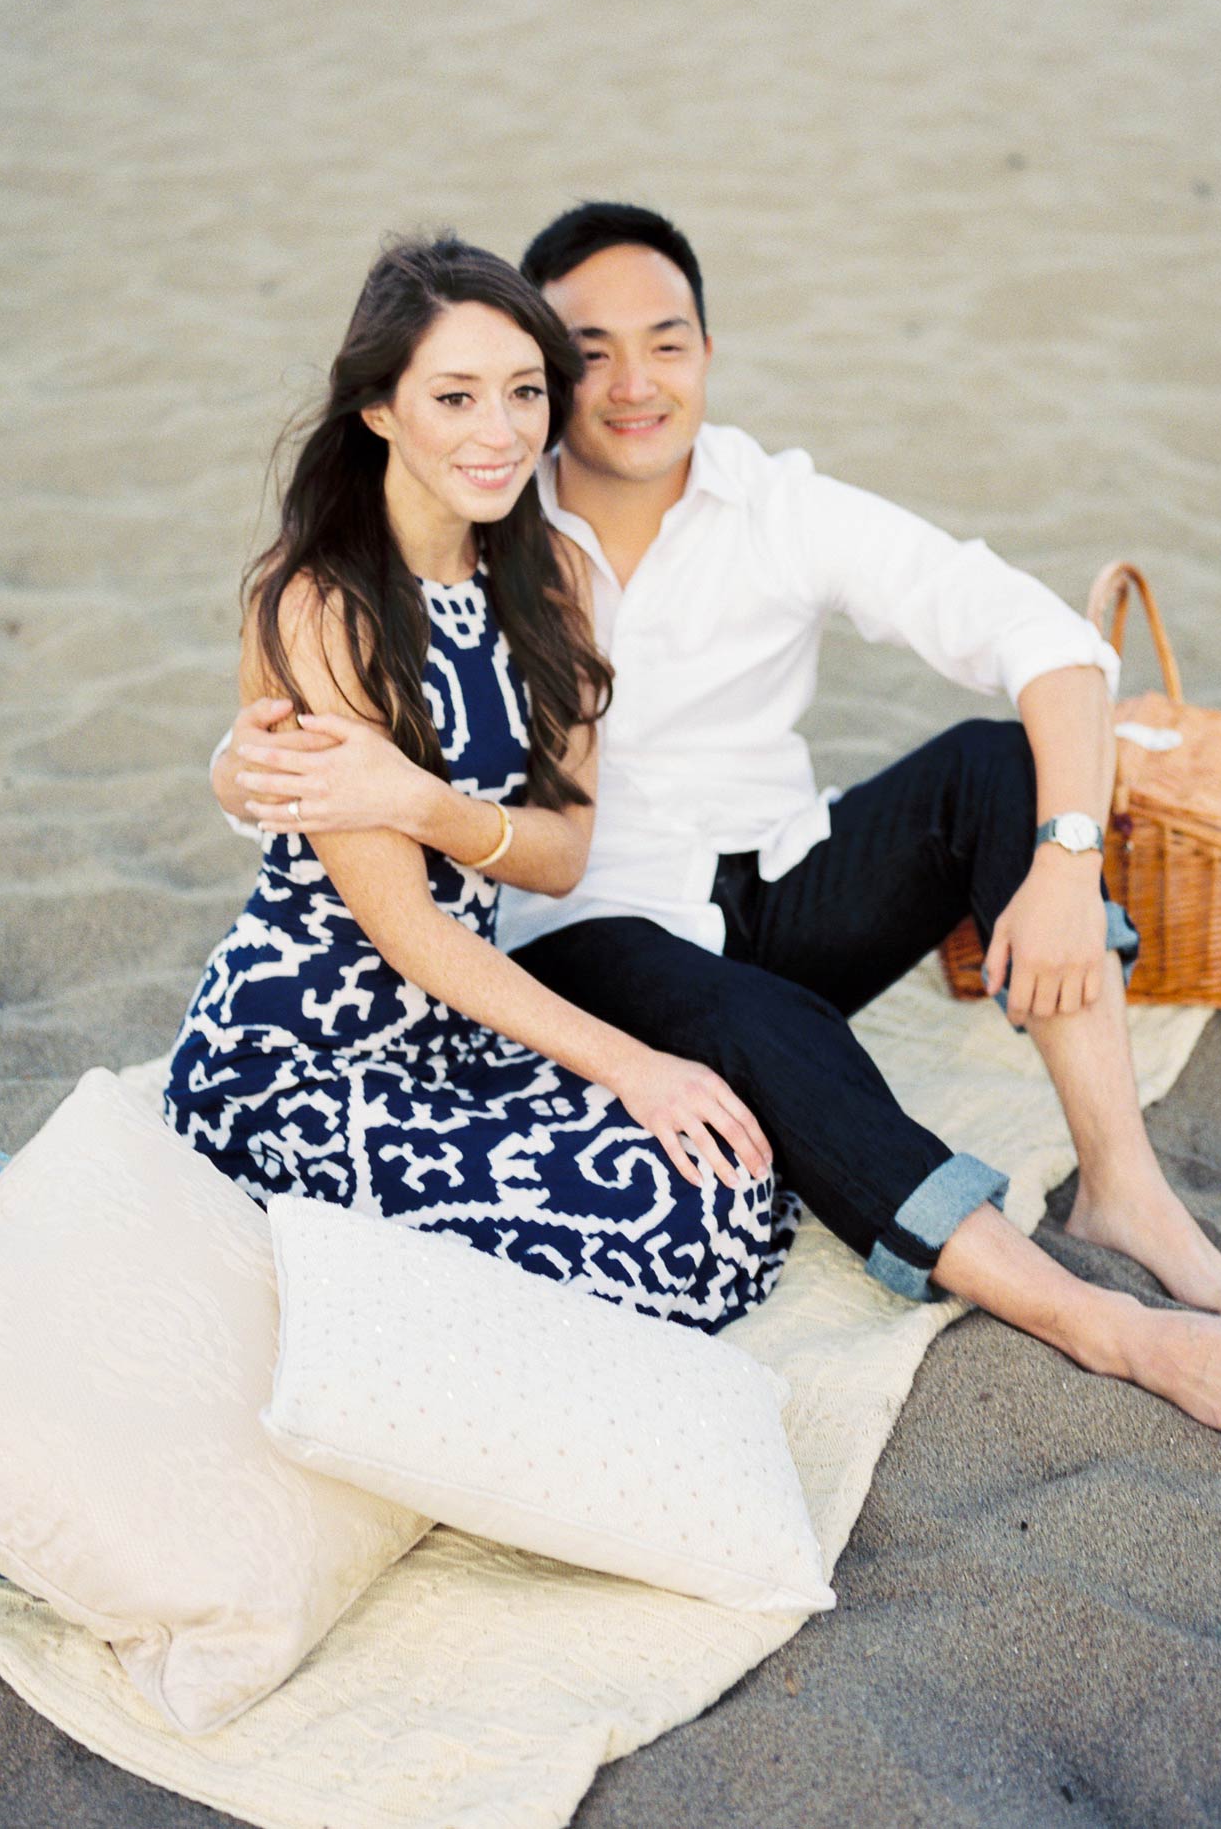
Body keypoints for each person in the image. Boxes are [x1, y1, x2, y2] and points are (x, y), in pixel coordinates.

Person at [215, 204, 1221, 1431]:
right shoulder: (488, 502)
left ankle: (1122, 1186)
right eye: (587, 353)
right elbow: (334, 694)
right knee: (760, 1032)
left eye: (668, 344)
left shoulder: (709, 523)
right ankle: (1093, 1321)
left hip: (767, 881)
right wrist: (242, 754)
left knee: (995, 768)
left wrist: (1066, 860)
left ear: (706, 352)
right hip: (588, 933)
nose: (630, 384)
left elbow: (1042, 637)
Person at [168, 233, 795, 1332]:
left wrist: (415, 799)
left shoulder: (546, 573)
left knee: (732, 1184)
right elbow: (405, 929)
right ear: (379, 411)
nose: (499, 433)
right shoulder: (321, 604)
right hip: (299, 1057)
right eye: (453, 398)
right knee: (665, 1222)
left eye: (522, 393)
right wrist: (632, 1064)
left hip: (453, 1034)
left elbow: (558, 856)